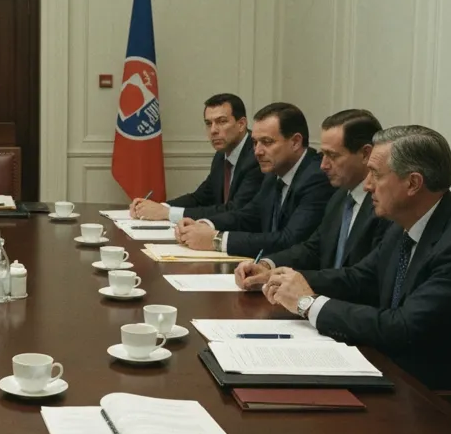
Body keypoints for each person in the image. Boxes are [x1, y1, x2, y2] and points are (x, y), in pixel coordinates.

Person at [262, 125, 451, 390]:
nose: (367, 185)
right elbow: (359, 278)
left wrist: (308, 304)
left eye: (376, 174)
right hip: (390, 369)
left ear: (413, 183)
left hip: (432, 393)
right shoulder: (404, 222)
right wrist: (284, 279)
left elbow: (404, 327)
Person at [234, 109, 391, 289]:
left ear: (365, 154)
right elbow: (314, 249)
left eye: (333, 156)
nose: (323, 165)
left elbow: (363, 279)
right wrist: (267, 265)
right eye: (323, 155)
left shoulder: (385, 206)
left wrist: (295, 280)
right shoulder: (340, 196)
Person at [174, 102, 334, 257]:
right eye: (255, 142)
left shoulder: (317, 178)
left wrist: (217, 240)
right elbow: (250, 215)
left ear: (295, 142)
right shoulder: (274, 172)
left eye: (267, 142)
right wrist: (204, 224)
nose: (257, 151)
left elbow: (289, 240)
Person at [130, 93, 262, 221]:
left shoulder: (257, 156)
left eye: (221, 122)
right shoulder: (221, 155)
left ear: (241, 124)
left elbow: (235, 210)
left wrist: (167, 213)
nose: (213, 130)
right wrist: (161, 207)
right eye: (208, 123)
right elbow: (200, 198)